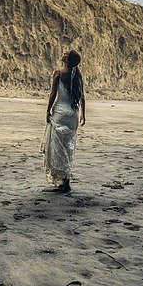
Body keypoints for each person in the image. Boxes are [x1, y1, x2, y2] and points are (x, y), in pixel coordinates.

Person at [43, 48, 86, 192]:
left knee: (57, 148)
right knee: (68, 147)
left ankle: (62, 180)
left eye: (66, 54)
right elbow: (82, 97)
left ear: (67, 60)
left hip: (60, 113)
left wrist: (47, 110)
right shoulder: (77, 75)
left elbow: (53, 93)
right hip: (73, 114)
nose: (64, 53)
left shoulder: (58, 73)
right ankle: (66, 180)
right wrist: (82, 114)